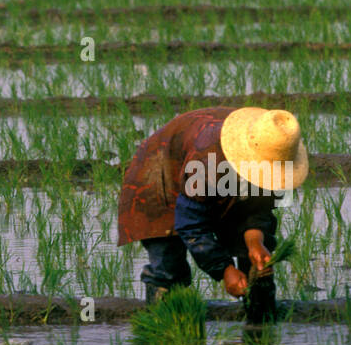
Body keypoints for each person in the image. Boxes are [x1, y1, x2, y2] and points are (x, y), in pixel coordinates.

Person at [117, 107, 309, 322]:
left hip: (212, 173)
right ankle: (161, 328)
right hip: (160, 174)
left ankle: (260, 326)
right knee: (168, 266)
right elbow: (190, 224)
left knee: (256, 265)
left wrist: (256, 242)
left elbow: (258, 209)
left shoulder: (273, 150)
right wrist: (225, 270)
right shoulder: (207, 159)